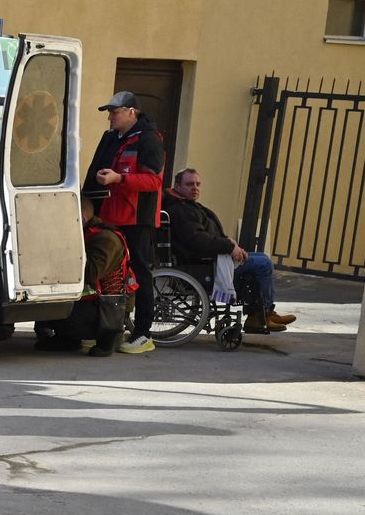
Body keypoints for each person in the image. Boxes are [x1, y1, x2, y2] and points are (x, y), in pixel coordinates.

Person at [166, 168, 295, 333]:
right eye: (189, 184)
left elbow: (206, 236)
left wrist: (229, 243)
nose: (195, 188)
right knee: (264, 263)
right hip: (203, 262)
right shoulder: (181, 210)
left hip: (210, 257)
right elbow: (198, 241)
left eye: (198, 184)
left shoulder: (187, 206)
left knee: (261, 257)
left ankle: (259, 313)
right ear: (177, 186)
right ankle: (264, 313)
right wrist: (229, 246)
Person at [86, 91, 166, 354]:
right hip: (108, 216)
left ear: (131, 111)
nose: (109, 116)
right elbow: (93, 171)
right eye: (109, 112)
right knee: (109, 275)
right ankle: (101, 329)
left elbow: (153, 181)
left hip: (137, 219)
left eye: (115, 111)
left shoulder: (150, 139)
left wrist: (120, 179)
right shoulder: (110, 138)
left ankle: (143, 334)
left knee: (140, 273)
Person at [35, 195, 133, 355]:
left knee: (56, 307)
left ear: (81, 217)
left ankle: (108, 338)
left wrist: (63, 248)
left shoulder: (105, 239)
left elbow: (90, 273)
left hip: (109, 307)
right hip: (94, 302)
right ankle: (67, 338)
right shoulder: (89, 232)